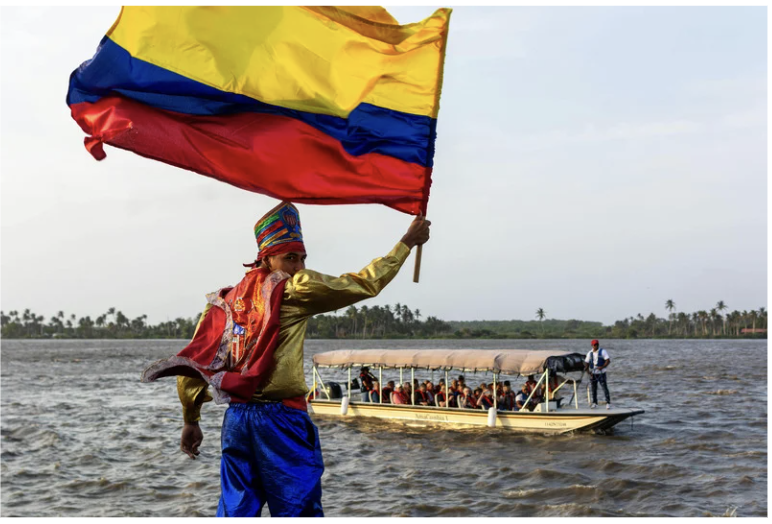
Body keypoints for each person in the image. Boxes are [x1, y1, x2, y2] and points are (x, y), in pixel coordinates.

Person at [141, 201, 430, 517]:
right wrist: (407, 243)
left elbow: (197, 360)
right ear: (266, 258)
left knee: (236, 509)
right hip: (281, 420)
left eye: (302, 258)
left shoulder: (224, 301)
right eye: (290, 258)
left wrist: (191, 419)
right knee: (298, 509)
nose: (299, 267)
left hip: (237, 420)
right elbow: (363, 283)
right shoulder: (294, 289)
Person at [584, 339, 611, 409]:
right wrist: (588, 372)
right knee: (594, 389)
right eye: (593, 345)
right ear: (591, 345)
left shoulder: (603, 351)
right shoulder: (589, 353)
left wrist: (602, 367)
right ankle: (595, 403)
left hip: (601, 373)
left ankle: (608, 403)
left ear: (598, 345)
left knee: (604, 388)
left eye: (596, 345)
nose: (595, 346)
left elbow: (608, 361)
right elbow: (586, 363)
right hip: (593, 374)